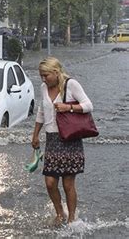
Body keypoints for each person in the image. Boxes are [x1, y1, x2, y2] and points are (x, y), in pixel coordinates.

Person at [31, 57, 94, 225]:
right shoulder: (44, 87)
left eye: (46, 75)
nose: (43, 79)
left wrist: (69, 107)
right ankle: (60, 214)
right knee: (50, 182)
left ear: (56, 72)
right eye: (41, 76)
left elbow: (89, 105)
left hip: (69, 139)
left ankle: (72, 218)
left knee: (68, 183)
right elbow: (41, 111)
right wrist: (35, 134)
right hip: (52, 140)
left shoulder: (71, 84)